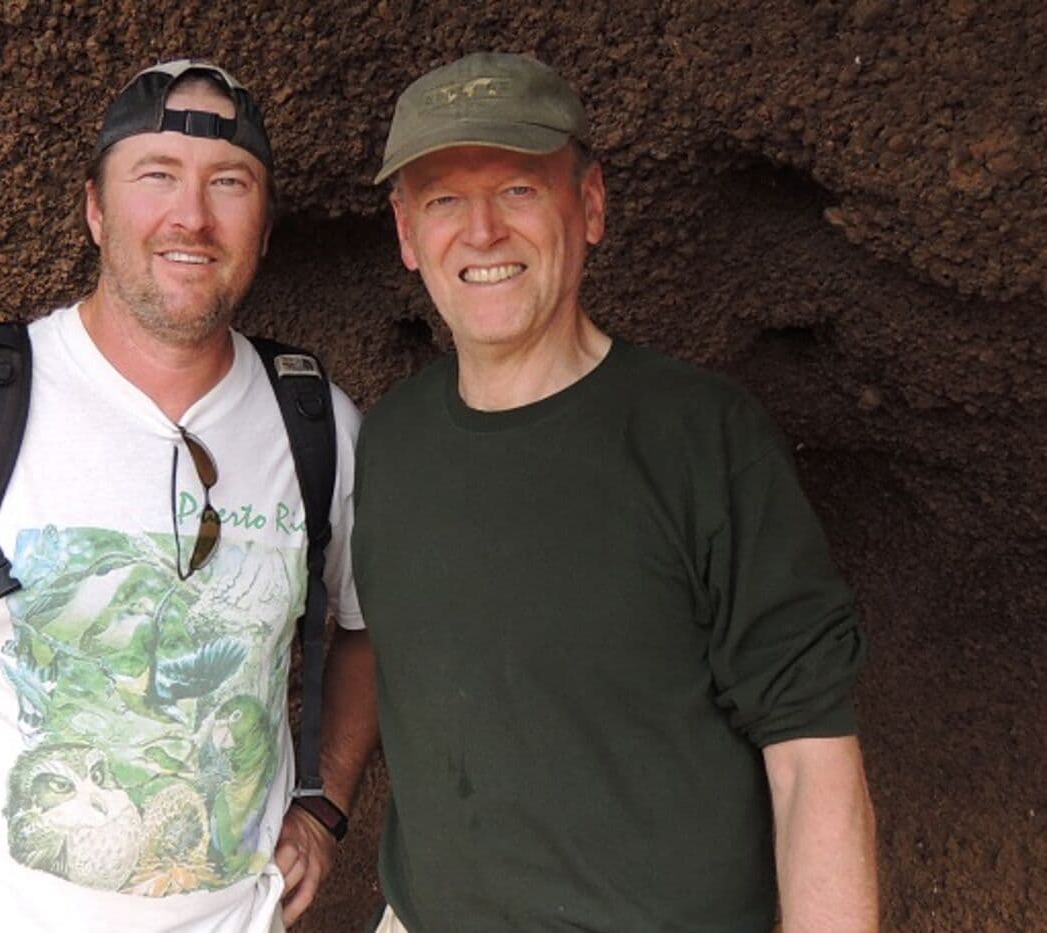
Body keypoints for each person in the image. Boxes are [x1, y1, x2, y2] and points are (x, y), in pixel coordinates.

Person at [0, 59, 377, 933]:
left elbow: (370, 630)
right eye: (156, 177)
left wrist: (323, 802)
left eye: (229, 183)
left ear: (263, 225)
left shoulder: (319, 428)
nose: (192, 216)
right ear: (97, 211)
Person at [352, 52, 878, 932]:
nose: (481, 232)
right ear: (408, 235)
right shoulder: (391, 440)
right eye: (444, 198)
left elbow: (814, 757)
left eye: (519, 188)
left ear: (589, 205)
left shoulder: (702, 436)